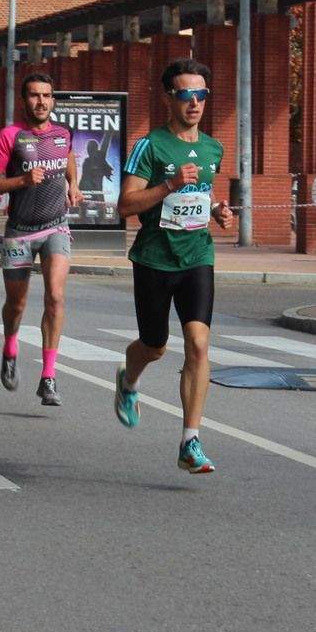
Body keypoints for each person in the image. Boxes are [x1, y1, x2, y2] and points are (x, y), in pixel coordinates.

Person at [113, 59, 235, 475]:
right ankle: (129, 381)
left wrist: (218, 211)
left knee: (199, 344)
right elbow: (125, 205)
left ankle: (190, 440)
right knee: (155, 345)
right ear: (169, 98)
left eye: (201, 94)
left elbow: (202, 198)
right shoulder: (150, 146)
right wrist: (168, 185)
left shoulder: (213, 149)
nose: (195, 103)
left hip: (197, 255)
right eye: (186, 94)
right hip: (154, 258)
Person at [0, 73, 81, 405]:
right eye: (35, 96)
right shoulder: (11, 136)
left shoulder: (62, 134)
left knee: (55, 297)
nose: (41, 101)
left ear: (53, 100)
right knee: (17, 304)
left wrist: (73, 186)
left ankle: (48, 377)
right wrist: (22, 180)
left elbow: (67, 159)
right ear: (24, 100)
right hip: (20, 231)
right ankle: (10, 347)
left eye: (47, 96)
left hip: (56, 226)